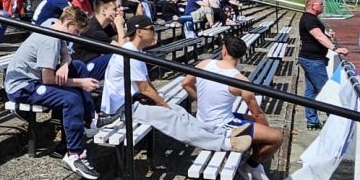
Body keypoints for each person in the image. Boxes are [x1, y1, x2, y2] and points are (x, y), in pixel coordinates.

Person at [98, 16, 254, 157]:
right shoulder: (130, 53)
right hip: (121, 109)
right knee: (171, 117)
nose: (154, 32)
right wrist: (162, 104)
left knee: (178, 110)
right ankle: (224, 143)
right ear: (139, 32)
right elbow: (145, 88)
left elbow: (147, 84)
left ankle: (222, 133)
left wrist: (162, 102)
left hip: (133, 103)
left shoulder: (135, 51)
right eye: (151, 29)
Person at [4, 6, 101, 179]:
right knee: (71, 98)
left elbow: (66, 52)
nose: (77, 36)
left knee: (78, 66)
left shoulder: (53, 24)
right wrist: (80, 83)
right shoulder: (49, 40)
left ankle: (89, 119)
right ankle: (74, 155)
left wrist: (64, 62)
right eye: (76, 31)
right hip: (22, 87)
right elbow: (48, 79)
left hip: (34, 80)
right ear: (69, 23)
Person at [182, 36, 284, 180]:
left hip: (204, 119)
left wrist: (200, 100)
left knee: (254, 124)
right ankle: (250, 166)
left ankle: (256, 164)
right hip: (221, 127)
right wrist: (267, 134)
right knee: (276, 137)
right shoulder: (239, 80)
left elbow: (186, 83)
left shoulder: (204, 64)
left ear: (224, 50)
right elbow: (257, 114)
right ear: (241, 56)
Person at [297, 0, 349, 130]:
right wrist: (335, 49)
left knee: (311, 91)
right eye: (320, 4)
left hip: (310, 58)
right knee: (326, 90)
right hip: (312, 60)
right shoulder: (309, 19)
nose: (323, 6)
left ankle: (312, 121)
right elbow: (318, 36)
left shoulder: (312, 19)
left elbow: (320, 35)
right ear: (312, 6)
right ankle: (334, 122)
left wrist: (328, 36)